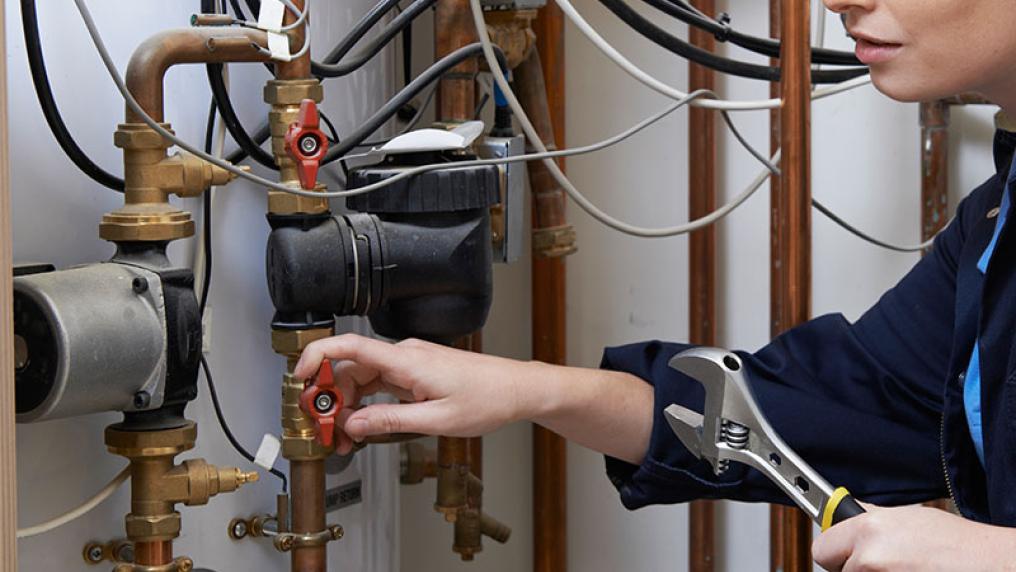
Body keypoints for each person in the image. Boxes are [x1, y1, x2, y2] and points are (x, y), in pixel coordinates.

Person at [295, 0, 1016, 568]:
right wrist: (524, 389)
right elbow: (810, 415)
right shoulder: (992, 225)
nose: (838, 1)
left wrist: (990, 556)